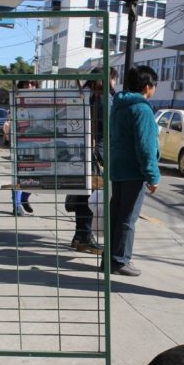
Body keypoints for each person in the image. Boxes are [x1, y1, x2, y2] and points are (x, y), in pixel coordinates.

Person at [106, 65, 160, 276]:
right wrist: (152, 176)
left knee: (116, 215)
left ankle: (109, 258)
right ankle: (120, 260)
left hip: (118, 168)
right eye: (154, 85)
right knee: (128, 218)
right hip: (133, 171)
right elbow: (146, 146)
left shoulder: (118, 105)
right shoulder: (142, 109)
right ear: (147, 86)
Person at [69, 66, 118, 255]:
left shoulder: (82, 94)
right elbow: (110, 127)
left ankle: (80, 235)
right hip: (98, 154)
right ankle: (84, 236)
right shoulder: (104, 98)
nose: (114, 83)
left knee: (83, 193)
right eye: (113, 79)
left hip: (80, 151)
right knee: (91, 196)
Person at [12, 80, 36, 216]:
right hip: (21, 143)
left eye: (32, 84)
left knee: (36, 176)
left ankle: (24, 198)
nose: (30, 87)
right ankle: (17, 205)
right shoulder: (17, 101)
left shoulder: (41, 100)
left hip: (37, 144)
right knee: (19, 176)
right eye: (26, 85)